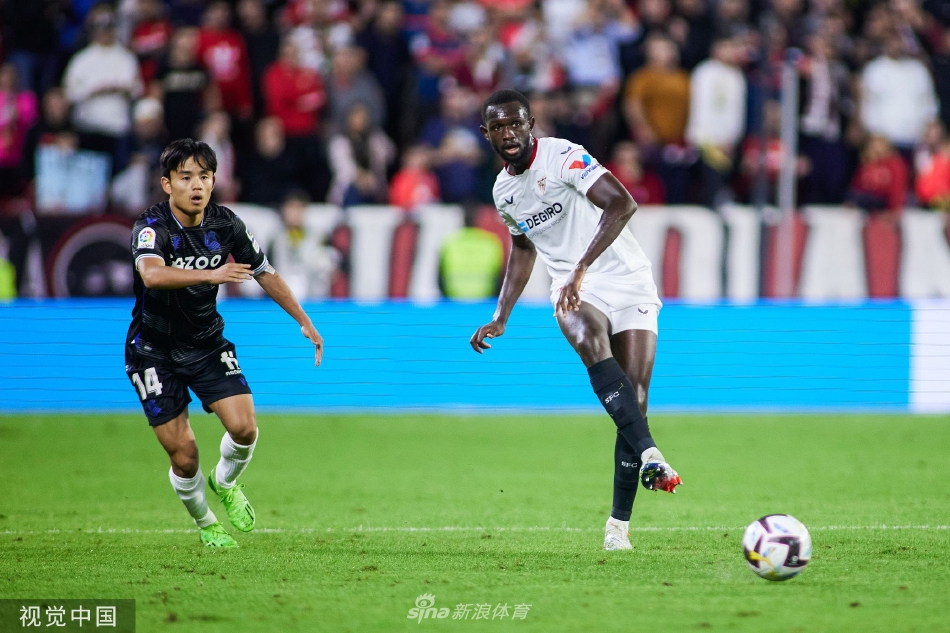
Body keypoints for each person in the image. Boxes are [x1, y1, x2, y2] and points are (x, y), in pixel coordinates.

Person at [470, 89, 681, 552]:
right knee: (588, 338)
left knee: (635, 399)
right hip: (573, 287)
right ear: (487, 134)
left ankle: (617, 526)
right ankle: (651, 454)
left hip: (626, 278)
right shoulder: (504, 192)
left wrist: (583, 264)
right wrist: (501, 315)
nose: (509, 133)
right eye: (498, 127)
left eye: (516, 123)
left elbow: (622, 203)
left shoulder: (564, 155)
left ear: (531, 124)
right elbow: (522, 248)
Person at [126, 139, 323, 547]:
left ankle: (225, 482)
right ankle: (206, 523)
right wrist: (211, 275)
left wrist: (304, 321)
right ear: (167, 184)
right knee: (184, 456)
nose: (196, 185)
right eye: (186, 177)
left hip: (205, 343)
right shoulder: (151, 226)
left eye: (204, 176)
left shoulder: (226, 224)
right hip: (153, 351)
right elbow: (152, 275)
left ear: (214, 180)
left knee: (245, 428)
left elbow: (264, 271)